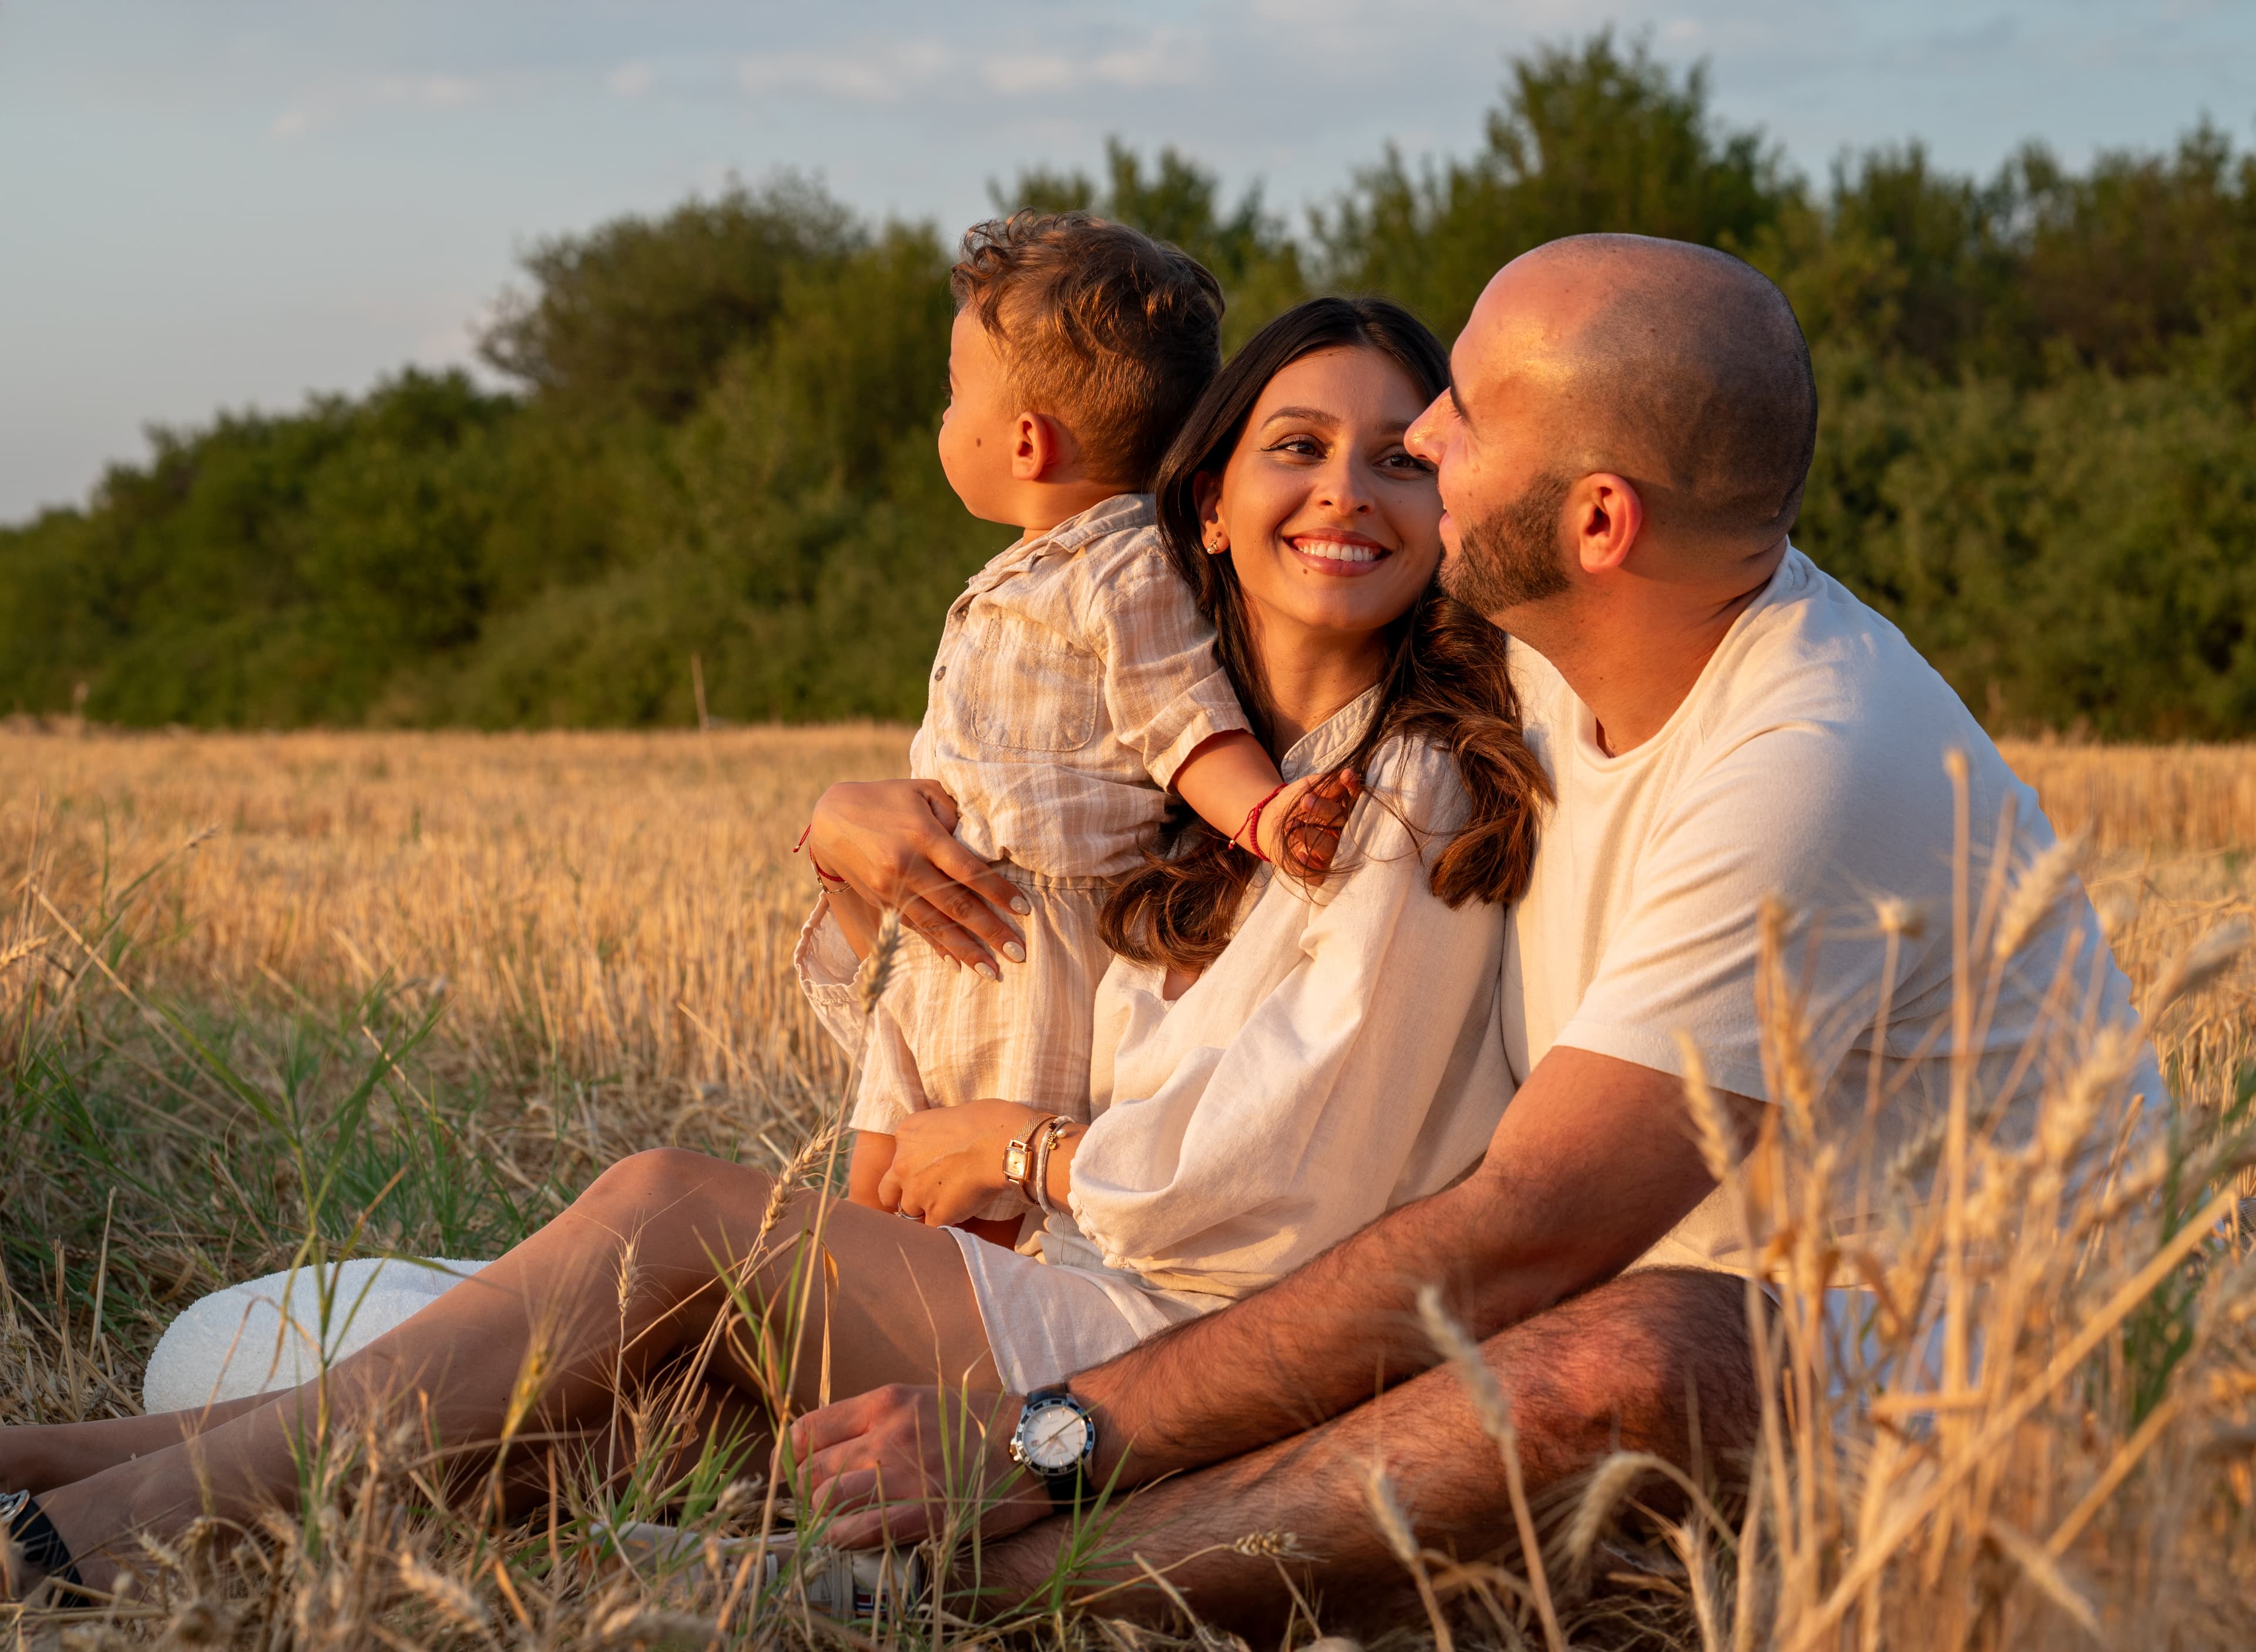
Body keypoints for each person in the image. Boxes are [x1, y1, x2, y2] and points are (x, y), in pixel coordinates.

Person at [0, 296, 1547, 1606]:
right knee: (601, 1429)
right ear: (1206, 500)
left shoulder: (1417, 778)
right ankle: (43, 1470)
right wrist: (855, 855)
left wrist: (1029, 1150)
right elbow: (959, 1022)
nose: (1350, 487)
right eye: (1300, 444)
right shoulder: (1167, 769)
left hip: (1197, 1351)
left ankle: (77, 1539)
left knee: (669, 1209)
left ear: (1448, 511)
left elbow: (1299, 1177)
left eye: (1401, 457)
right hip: (1089, 1280)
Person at [785, 233, 2166, 1633]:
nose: (1426, 437)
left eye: (1464, 419)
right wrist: (853, 821)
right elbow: (1134, 699)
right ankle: (847, 1538)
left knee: (1629, 1349)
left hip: (2002, 1404)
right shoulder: (1551, 655)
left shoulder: (1814, 756)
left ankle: (985, 1586)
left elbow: (1526, 1232)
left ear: (1600, 523)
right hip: (1647, 1316)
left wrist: (1045, 1440)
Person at [811, 210, 1337, 1243]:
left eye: (954, 392)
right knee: (869, 1191)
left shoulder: (1125, 562)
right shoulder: (1040, 561)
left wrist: (1266, 817)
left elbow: (1184, 722)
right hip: (952, 927)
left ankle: (947, 1370)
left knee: (974, 1220)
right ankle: (832, 1351)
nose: (943, 413)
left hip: (1026, 943)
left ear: (1026, 441)